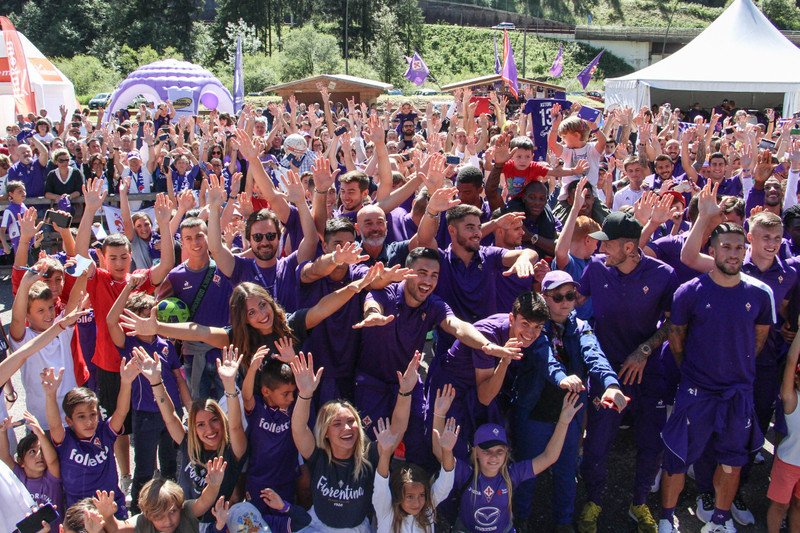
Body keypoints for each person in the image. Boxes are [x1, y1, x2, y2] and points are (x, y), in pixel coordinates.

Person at [659, 222, 773, 533]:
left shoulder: (761, 294)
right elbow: (677, 340)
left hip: (738, 392)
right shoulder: (689, 292)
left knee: (732, 461)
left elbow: (758, 340)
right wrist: (697, 373)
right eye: (726, 246)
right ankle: (667, 518)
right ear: (712, 251)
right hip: (696, 390)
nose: (733, 253)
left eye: (739, 247)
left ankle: (720, 522)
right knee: (677, 458)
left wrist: (735, 370)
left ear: (745, 250)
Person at [575, 210, 679, 532]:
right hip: (606, 372)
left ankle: (639, 503)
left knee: (652, 443)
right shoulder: (595, 268)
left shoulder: (664, 274)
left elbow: (673, 321)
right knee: (597, 444)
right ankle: (593, 500)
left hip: (649, 372)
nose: (600, 249)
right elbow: (574, 301)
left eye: (608, 245)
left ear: (630, 248)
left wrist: (645, 350)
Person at [511, 271, 627, 530]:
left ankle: (563, 524)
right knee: (527, 472)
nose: (565, 302)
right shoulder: (535, 326)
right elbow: (543, 357)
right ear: (545, 297)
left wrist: (610, 384)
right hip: (534, 412)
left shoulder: (581, 326)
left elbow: (593, 354)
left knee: (566, 471)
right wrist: (562, 377)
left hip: (570, 412)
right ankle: (519, 521)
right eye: (558, 296)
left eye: (571, 295)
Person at [290, 351, 419, 532]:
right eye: (337, 424)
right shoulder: (318, 455)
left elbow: (397, 429)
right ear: (325, 432)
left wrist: (405, 392)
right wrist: (304, 394)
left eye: (351, 422)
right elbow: (298, 428)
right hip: (317, 527)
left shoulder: (369, 455)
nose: (347, 428)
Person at [433, 391, 583, 533]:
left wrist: (563, 422)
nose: (494, 456)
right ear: (475, 452)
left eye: (500, 451)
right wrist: (439, 414)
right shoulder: (465, 473)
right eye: (487, 451)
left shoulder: (512, 475)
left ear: (507, 453)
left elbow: (549, 457)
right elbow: (440, 452)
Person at [133, 345, 247, 527]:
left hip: (216, 524)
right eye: (200, 424)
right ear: (193, 428)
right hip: (180, 521)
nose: (209, 429)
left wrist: (229, 385)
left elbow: (235, 426)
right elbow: (170, 416)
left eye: (214, 420)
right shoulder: (188, 443)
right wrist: (156, 381)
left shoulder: (233, 450)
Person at [107, 278, 191, 515]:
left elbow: (179, 379)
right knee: (144, 469)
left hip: (172, 415)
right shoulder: (128, 343)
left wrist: (189, 407)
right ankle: (139, 512)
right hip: (145, 416)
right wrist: (128, 287)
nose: (150, 318)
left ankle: (172, 508)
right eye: (143, 314)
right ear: (133, 319)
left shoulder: (165, 343)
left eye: (152, 313)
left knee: (171, 465)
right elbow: (111, 320)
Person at [43, 357, 140, 518]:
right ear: (69, 420)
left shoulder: (104, 432)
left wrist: (126, 382)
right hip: (80, 510)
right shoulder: (65, 439)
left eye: (93, 415)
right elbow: (54, 425)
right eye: (81, 416)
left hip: (111, 505)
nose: (89, 422)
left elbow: (121, 412)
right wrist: (50, 394)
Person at [372, 415, 457, 533]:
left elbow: (446, 484)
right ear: (398, 496)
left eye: (422, 495)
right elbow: (381, 483)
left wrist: (447, 451)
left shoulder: (427, 509)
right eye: (410, 496)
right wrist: (385, 453)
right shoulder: (386, 511)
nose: (417, 503)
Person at [94, 458, 227, 533]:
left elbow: (203, 502)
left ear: (179, 506)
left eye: (172, 512)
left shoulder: (185, 511)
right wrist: (107, 516)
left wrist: (214, 485)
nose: (168, 521)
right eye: (158, 516)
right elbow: (117, 529)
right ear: (147, 514)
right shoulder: (142, 522)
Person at [0, 412, 63, 526]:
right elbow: (4, 457)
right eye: (32, 452)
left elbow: (52, 461)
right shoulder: (19, 476)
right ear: (21, 462)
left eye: (42, 451)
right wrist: (2, 431)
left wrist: (39, 432)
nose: (40, 455)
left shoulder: (52, 478)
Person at [768, 316, 800, 532]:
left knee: (798, 506)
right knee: (780, 505)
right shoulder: (792, 400)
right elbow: (790, 360)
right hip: (788, 464)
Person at [1, 181, 27, 254]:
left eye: (24, 190)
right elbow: (2, 230)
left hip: (29, 243)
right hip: (18, 245)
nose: (23, 193)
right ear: (11, 194)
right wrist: (5, 244)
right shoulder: (8, 211)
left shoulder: (25, 207)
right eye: (20, 191)